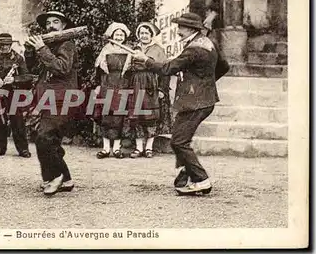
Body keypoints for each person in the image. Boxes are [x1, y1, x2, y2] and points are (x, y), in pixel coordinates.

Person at [131, 12, 229, 195]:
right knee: (179, 137)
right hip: (199, 100)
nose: (178, 31)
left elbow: (168, 68)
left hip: (196, 102)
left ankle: (201, 180)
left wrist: (146, 60)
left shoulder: (194, 49)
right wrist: (206, 82)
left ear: (191, 29)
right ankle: (185, 175)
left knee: (179, 141)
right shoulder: (206, 42)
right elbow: (224, 66)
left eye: (181, 28)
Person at [24, 10, 77, 196]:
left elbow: (62, 68)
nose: (51, 26)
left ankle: (54, 177)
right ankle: (66, 179)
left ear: (63, 26)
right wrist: (30, 51)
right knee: (50, 140)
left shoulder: (67, 44)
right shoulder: (48, 45)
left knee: (44, 138)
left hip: (62, 99)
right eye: (48, 23)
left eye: (56, 22)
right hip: (47, 99)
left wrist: (41, 50)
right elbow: (33, 69)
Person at [0, 33, 33, 158]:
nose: (4, 47)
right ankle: (0, 148)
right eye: (1, 44)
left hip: (14, 94)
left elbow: (27, 77)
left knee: (18, 121)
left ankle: (23, 149)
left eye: (6, 44)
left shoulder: (18, 59)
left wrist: (14, 80)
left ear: (11, 44)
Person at [127, 22, 170, 159]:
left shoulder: (158, 50)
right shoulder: (134, 48)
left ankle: (149, 147)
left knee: (150, 116)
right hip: (136, 83)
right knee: (137, 116)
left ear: (151, 35)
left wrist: (162, 89)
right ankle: (139, 148)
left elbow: (164, 71)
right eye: (141, 33)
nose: (144, 36)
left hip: (151, 84)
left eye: (147, 33)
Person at [93, 22, 132, 159]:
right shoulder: (106, 50)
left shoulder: (129, 51)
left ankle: (116, 148)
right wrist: (98, 85)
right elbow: (98, 71)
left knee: (118, 116)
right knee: (105, 116)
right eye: (117, 34)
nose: (119, 37)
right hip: (107, 84)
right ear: (112, 35)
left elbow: (130, 72)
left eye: (122, 34)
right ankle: (105, 148)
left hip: (122, 85)